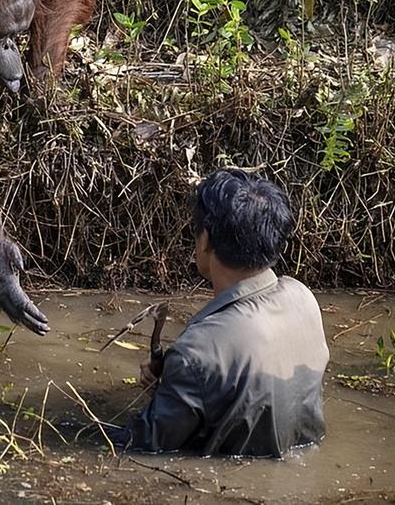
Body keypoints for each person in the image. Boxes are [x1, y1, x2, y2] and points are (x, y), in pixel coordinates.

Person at [110, 168, 329, 457]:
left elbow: (143, 446)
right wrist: (171, 387)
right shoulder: (302, 297)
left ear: (206, 240)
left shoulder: (198, 351)